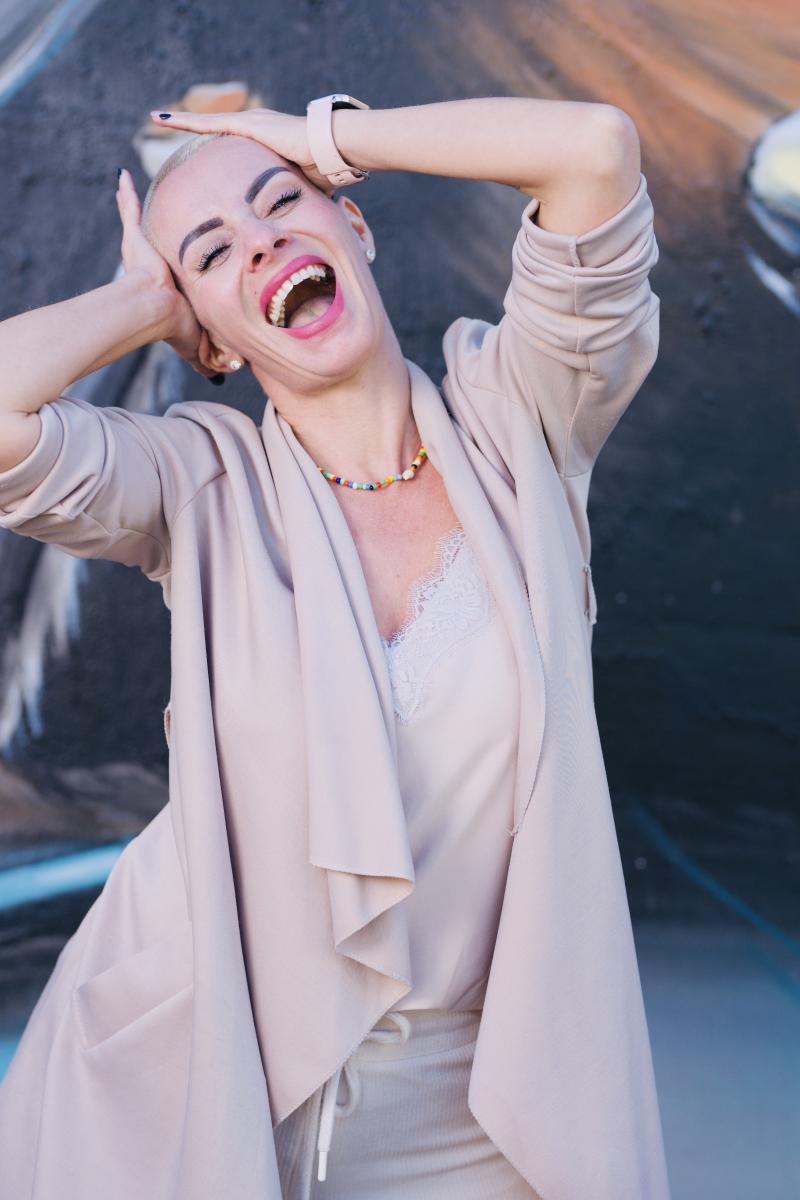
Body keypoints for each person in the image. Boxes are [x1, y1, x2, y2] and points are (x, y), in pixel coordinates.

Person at [0, 97, 670, 1200]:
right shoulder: (200, 485)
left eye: (281, 205)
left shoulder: (521, 422)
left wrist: (323, 141)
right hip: (201, 1096)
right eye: (212, 252)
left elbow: (593, 149)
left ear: (353, 227)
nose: (260, 242)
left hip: (475, 1116)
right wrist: (140, 302)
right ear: (212, 338)